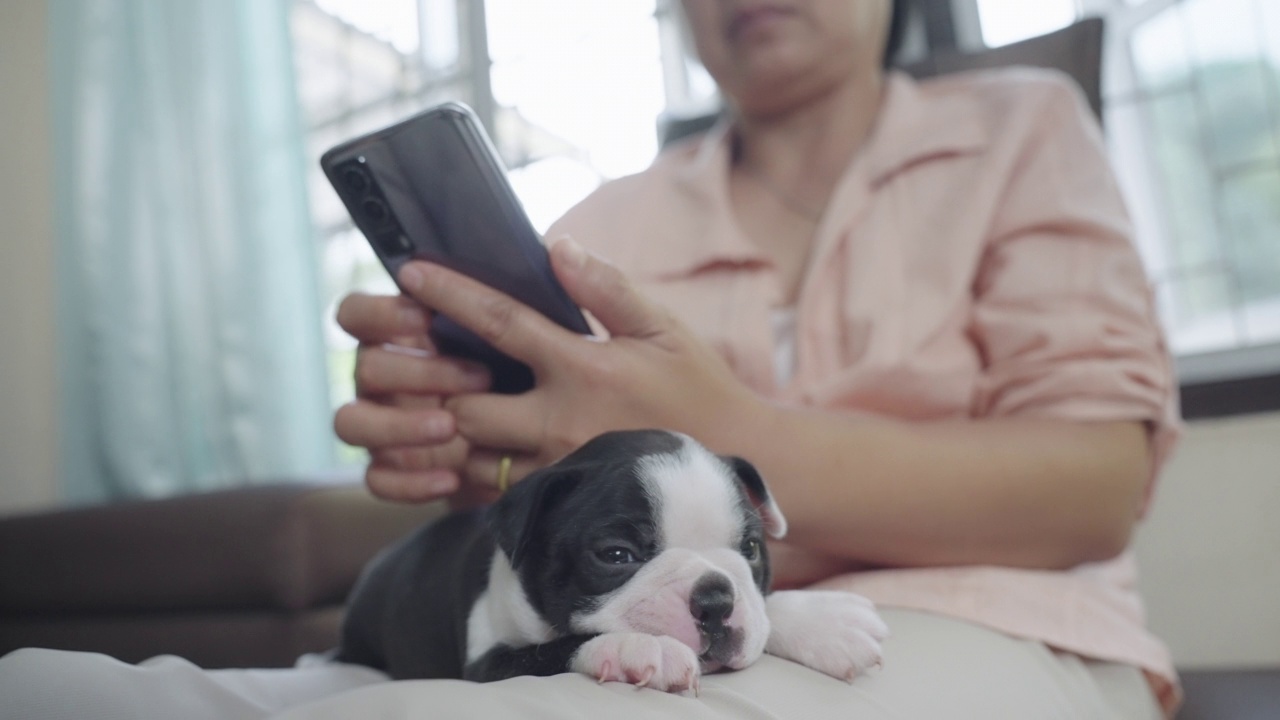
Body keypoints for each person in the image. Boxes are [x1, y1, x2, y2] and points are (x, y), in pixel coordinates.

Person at [0, 0, 1181, 718]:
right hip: (577, 646)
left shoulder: (1017, 127)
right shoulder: (609, 216)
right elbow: (543, 505)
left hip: (998, 627)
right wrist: (474, 449)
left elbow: (1091, 490)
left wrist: (745, 439)